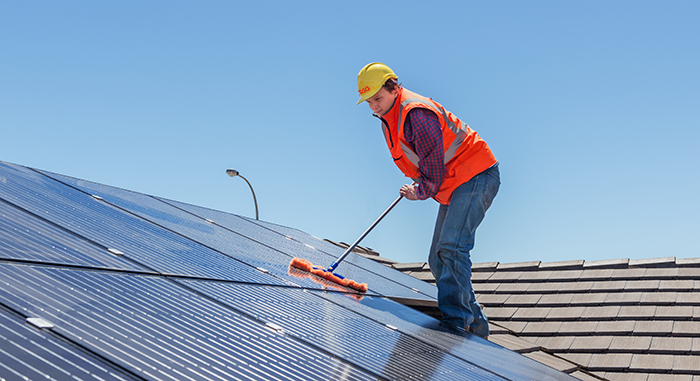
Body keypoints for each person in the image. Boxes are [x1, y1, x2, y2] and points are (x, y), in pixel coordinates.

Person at [356, 62, 500, 338]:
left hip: (475, 174)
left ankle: (457, 322)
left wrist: (419, 191)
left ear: (394, 88)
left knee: (452, 247)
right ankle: (476, 325)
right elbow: (426, 161)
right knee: (437, 258)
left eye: (378, 98)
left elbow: (434, 172)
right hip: (456, 182)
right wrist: (421, 182)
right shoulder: (392, 115)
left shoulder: (416, 115)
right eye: (369, 101)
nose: (374, 105)